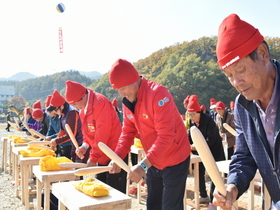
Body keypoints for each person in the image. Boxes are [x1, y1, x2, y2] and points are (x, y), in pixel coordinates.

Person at [212, 13, 280, 209]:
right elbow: (244, 157)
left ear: (263, 54)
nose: (236, 82)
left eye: (240, 70)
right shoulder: (242, 106)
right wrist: (232, 186)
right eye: (229, 75)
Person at [108, 58, 191, 210]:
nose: (121, 94)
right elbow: (127, 132)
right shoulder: (127, 101)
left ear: (133, 80)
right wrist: (117, 156)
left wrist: (141, 167)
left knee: (170, 206)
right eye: (117, 90)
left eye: (123, 88)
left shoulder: (158, 94)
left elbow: (166, 137)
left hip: (175, 156)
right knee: (153, 204)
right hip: (154, 160)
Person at [64, 80, 127, 194]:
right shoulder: (83, 110)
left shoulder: (100, 103)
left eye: (74, 104)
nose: (75, 107)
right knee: (102, 191)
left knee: (115, 194)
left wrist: (93, 158)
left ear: (83, 97)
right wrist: (84, 146)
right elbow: (87, 133)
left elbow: (102, 135)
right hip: (102, 155)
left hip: (115, 153)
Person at [187, 96, 225, 210]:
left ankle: (214, 201)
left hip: (214, 150)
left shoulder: (208, 120)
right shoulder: (190, 121)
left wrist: (197, 147)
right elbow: (190, 135)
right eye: (190, 114)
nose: (192, 117)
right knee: (199, 171)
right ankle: (202, 194)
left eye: (194, 114)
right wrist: (189, 145)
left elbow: (212, 138)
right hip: (200, 152)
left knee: (215, 175)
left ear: (200, 112)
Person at [48, 90, 88, 163]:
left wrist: (56, 141)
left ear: (62, 106)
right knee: (72, 165)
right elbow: (62, 131)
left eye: (56, 110)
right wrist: (55, 142)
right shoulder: (61, 115)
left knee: (78, 166)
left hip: (81, 143)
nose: (55, 113)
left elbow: (72, 134)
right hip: (73, 143)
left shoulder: (72, 113)